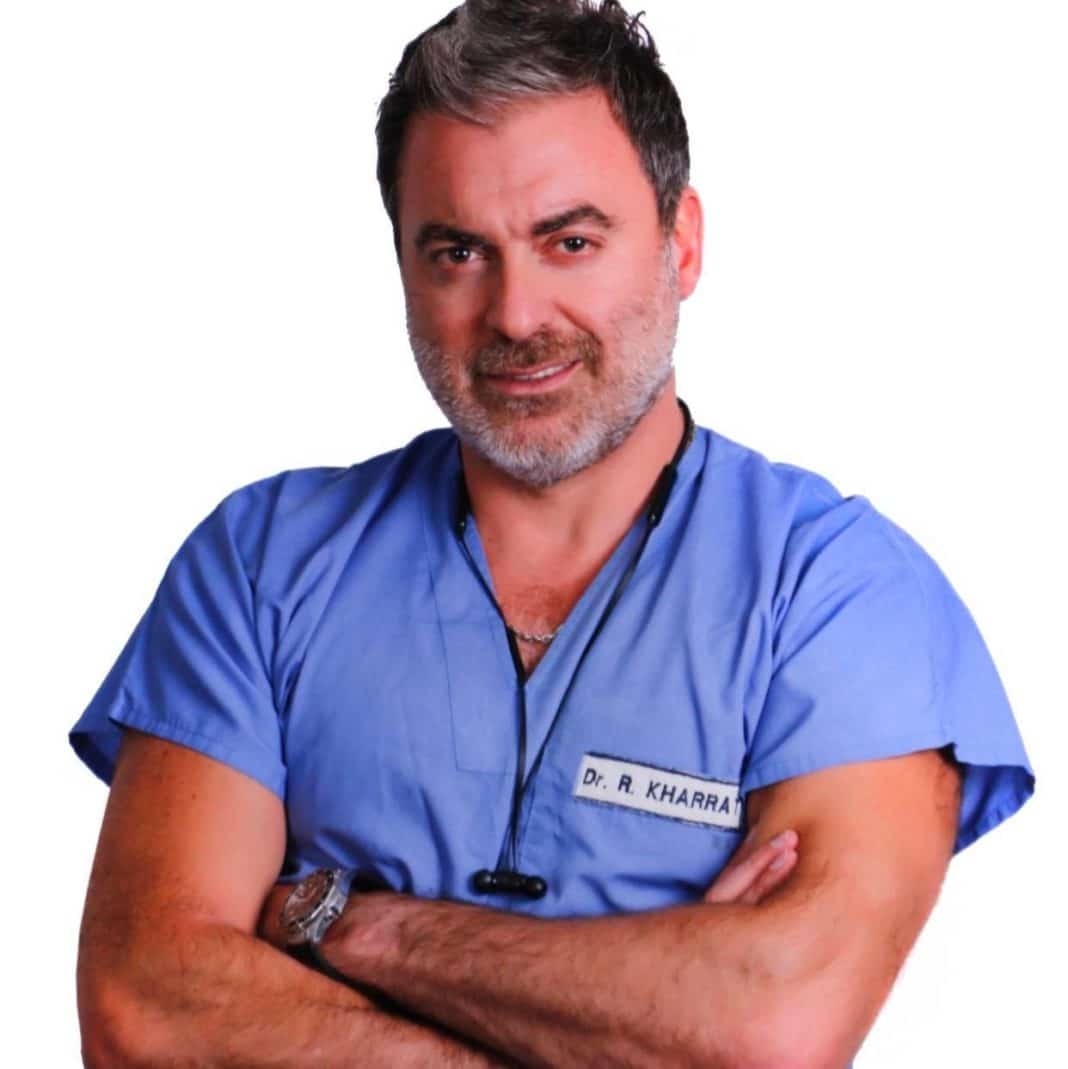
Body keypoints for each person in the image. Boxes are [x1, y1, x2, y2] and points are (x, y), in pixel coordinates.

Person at [71, 1, 1034, 1066]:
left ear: (681, 243)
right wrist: (644, 1016)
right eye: (457, 252)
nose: (517, 314)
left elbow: (772, 1027)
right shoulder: (263, 565)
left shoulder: (836, 595)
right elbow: (145, 1007)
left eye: (570, 241)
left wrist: (349, 925)